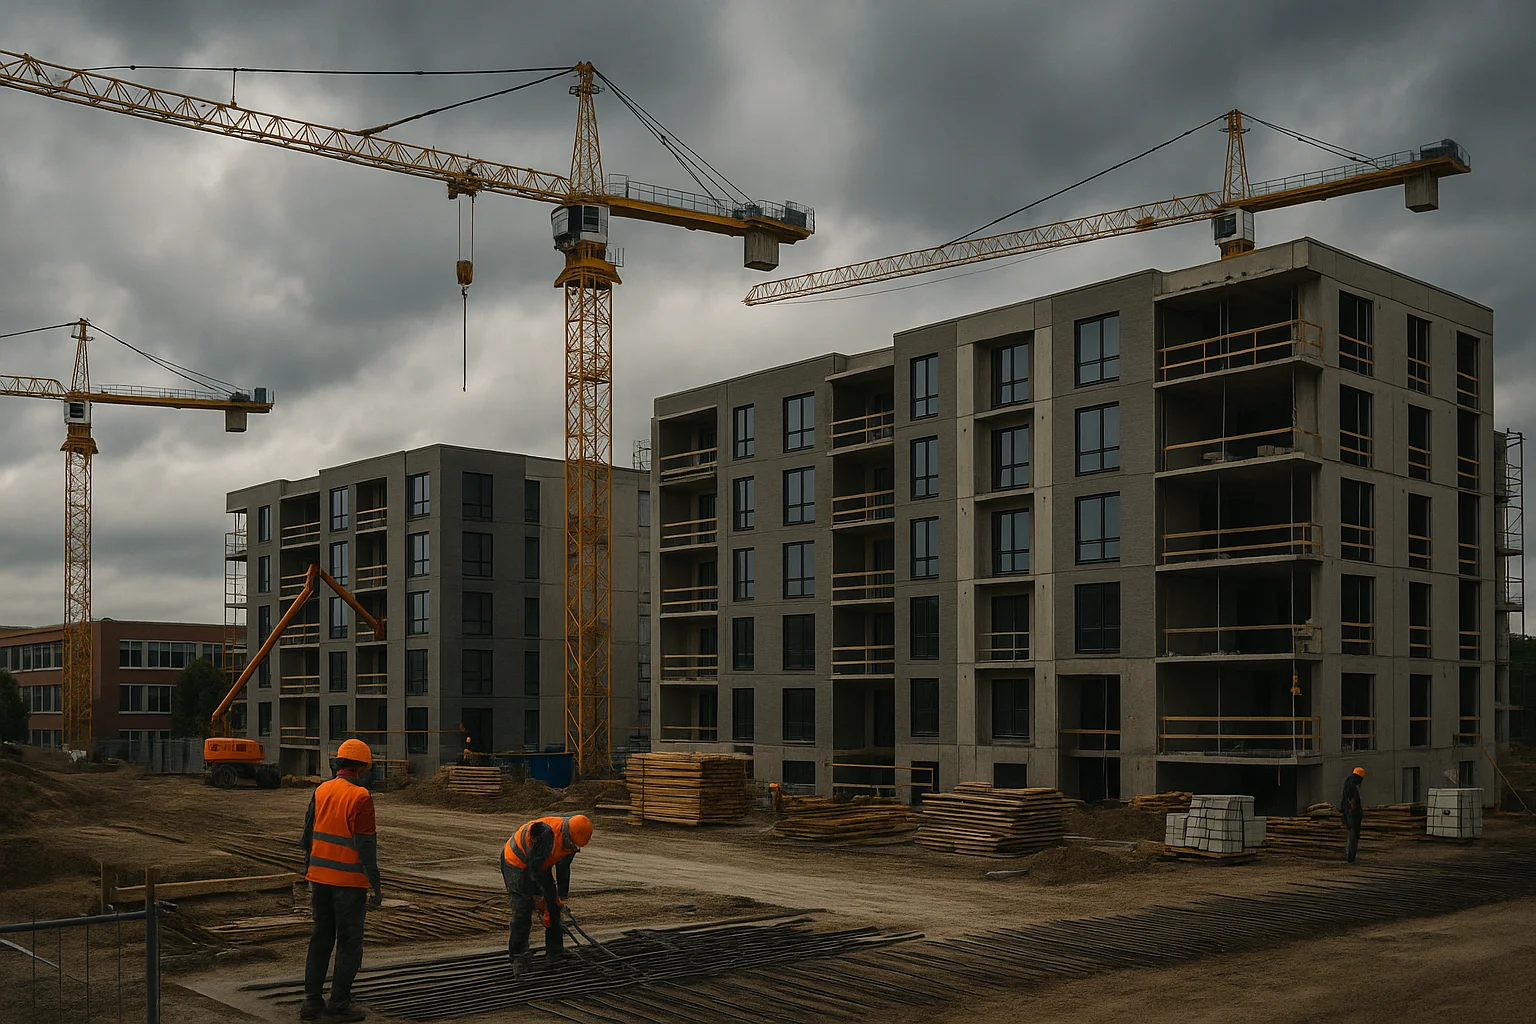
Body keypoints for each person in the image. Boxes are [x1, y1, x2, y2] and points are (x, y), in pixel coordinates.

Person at [299, 739, 383, 1021]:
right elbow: (366, 846)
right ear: (360, 767)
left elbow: (307, 833)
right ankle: (339, 1004)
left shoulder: (321, 789)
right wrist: (377, 885)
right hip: (348, 882)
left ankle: (311, 1003)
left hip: (319, 879)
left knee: (321, 937)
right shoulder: (361, 797)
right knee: (349, 942)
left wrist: (307, 867)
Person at [500, 814, 593, 975]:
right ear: (565, 835)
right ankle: (518, 957)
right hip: (516, 863)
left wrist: (560, 899)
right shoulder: (545, 834)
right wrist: (538, 898)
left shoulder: (571, 841)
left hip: (540, 864)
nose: (573, 849)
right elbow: (533, 871)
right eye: (571, 845)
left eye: (575, 848)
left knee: (554, 907)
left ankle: (555, 953)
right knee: (523, 910)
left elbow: (563, 869)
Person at [1338, 766, 1366, 863]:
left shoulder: (1348, 783)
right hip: (1352, 814)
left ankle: (1351, 855)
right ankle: (1351, 856)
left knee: (1352, 834)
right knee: (1353, 834)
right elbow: (1353, 802)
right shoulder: (1351, 786)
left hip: (1348, 813)